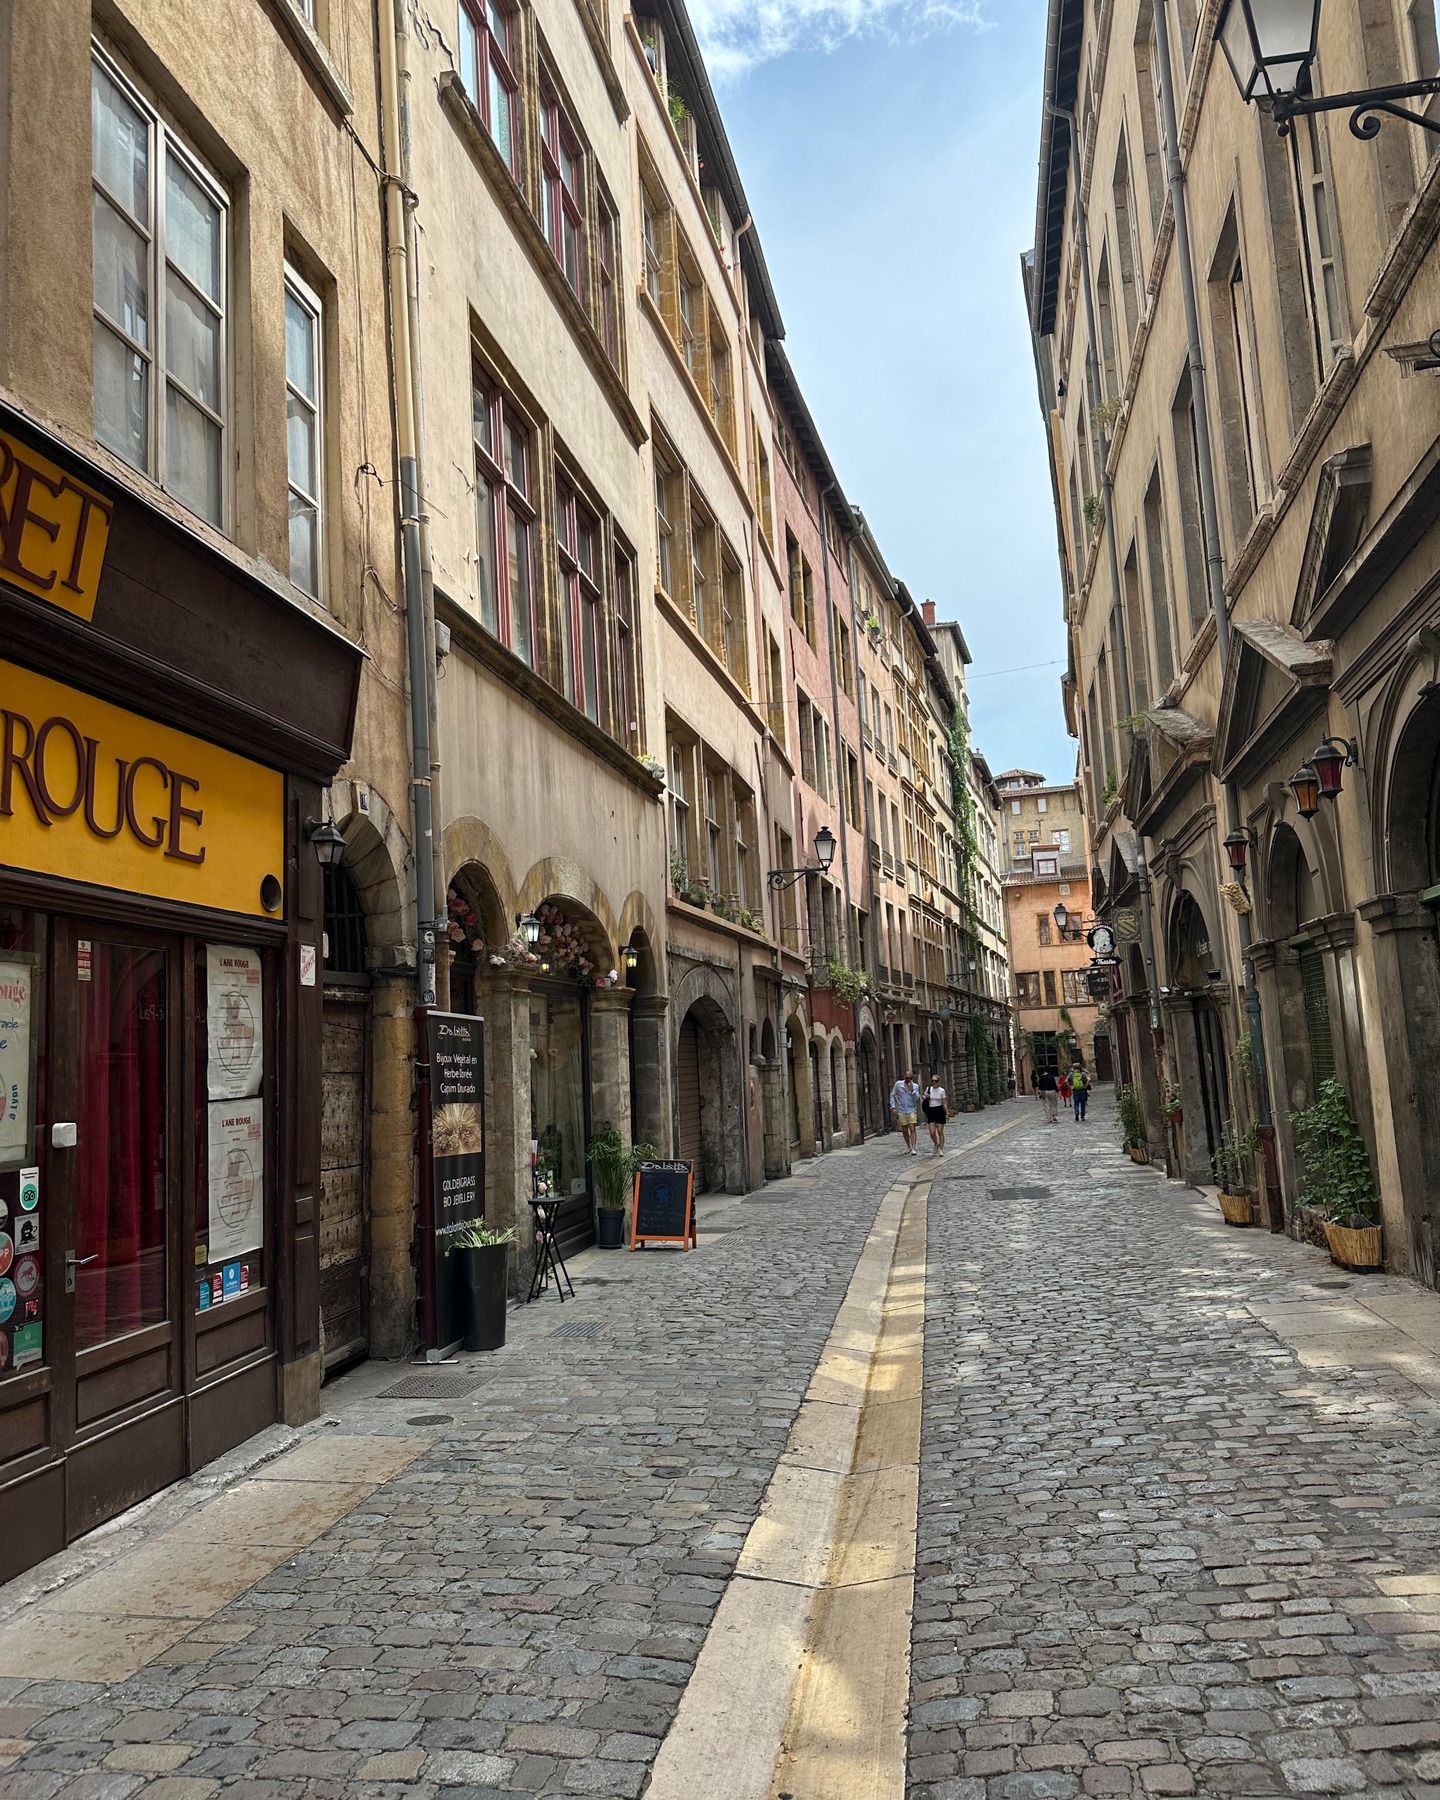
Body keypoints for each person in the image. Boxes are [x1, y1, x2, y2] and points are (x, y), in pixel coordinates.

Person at [890, 1070, 922, 1156]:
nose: (908, 1080)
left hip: (912, 1109)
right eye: (907, 1078)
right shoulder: (898, 1084)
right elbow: (892, 1095)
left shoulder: (915, 1086)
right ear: (904, 1077)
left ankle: (913, 1148)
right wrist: (893, 1107)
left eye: (910, 1078)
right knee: (904, 1129)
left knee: (912, 1128)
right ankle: (908, 1146)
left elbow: (916, 1099)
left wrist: (912, 1090)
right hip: (902, 1109)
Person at [922, 1072, 948, 1155]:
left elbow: (944, 1102)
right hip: (931, 1110)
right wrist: (925, 1097)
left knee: (940, 1131)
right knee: (932, 1132)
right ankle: (936, 1143)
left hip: (939, 1110)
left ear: (938, 1081)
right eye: (932, 1081)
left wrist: (947, 1113)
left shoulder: (941, 1090)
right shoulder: (929, 1089)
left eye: (935, 1081)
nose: (934, 1082)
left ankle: (941, 1149)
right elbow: (924, 1097)